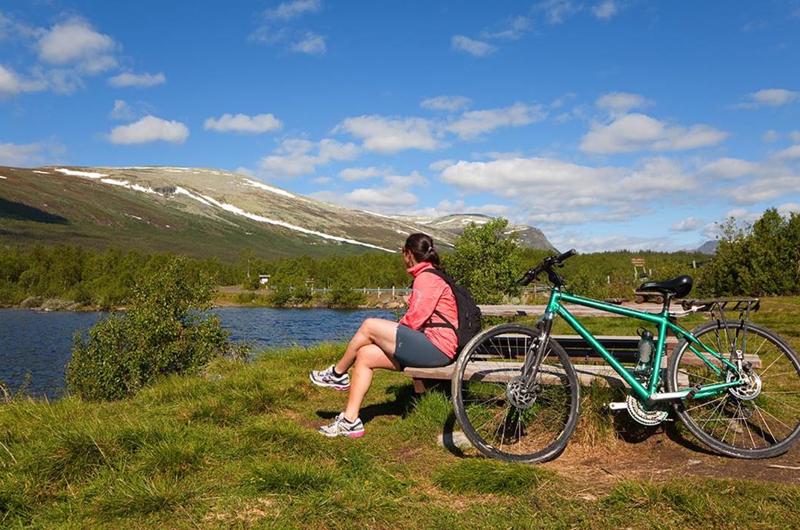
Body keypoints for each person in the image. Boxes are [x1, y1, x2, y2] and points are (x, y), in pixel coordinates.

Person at [309, 233, 458, 438]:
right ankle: (350, 420)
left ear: (408, 254)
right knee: (365, 355)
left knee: (369, 325)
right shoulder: (429, 276)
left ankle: (337, 374)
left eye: (403, 254)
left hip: (437, 349)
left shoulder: (426, 278)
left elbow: (414, 322)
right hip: (430, 346)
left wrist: (392, 333)